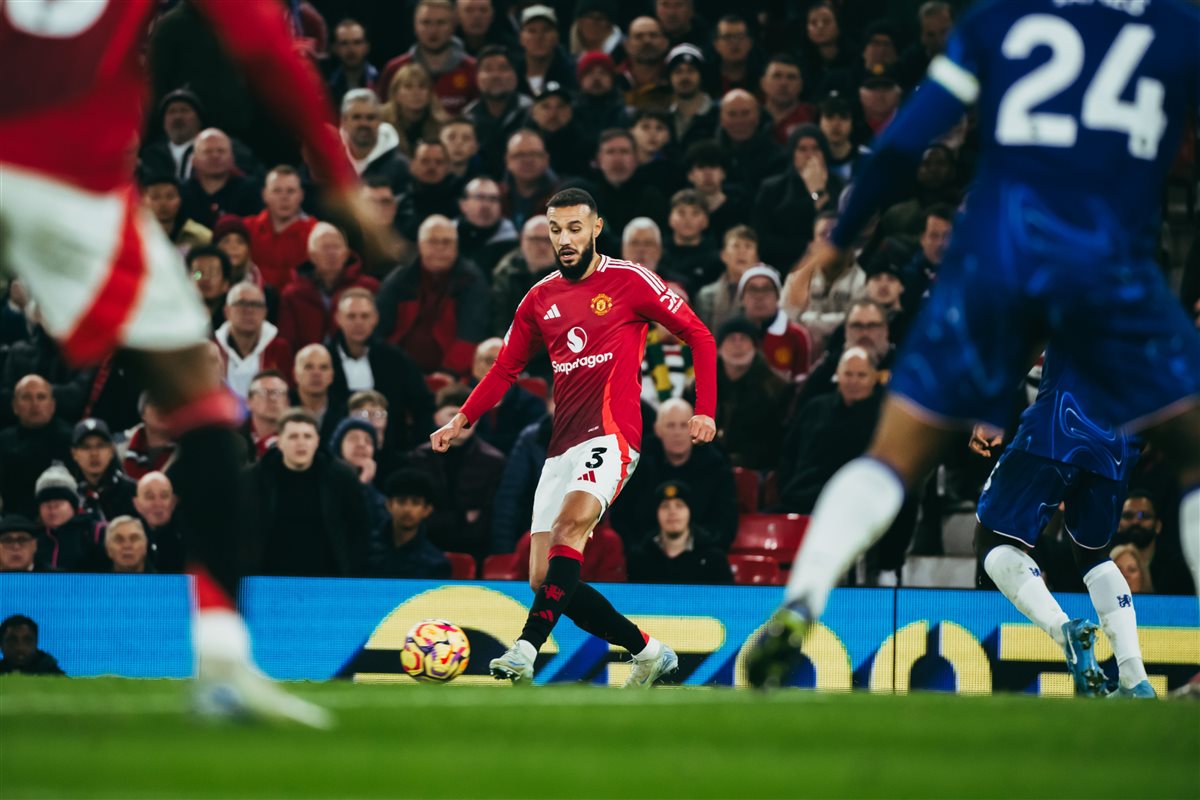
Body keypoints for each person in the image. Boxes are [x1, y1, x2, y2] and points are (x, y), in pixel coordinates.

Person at [748, 0, 1200, 691]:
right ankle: (1135, 675)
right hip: (1111, 265)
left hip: (997, 258)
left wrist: (838, 238)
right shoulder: (1175, 24)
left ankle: (803, 599)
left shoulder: (1001, 19)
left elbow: (904, 140)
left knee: (890, 459)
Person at [431, 188, 717, 687]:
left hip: (613, 435)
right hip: (561, 446)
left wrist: (705, 410)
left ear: (596, 228)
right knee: (544, 580)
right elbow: (505, 368)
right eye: (556, 230)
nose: (564, 239)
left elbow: (700, 335)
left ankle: (524, 650)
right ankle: (649, 652)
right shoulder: (539, 298)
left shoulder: (630, 280)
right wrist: (462, 419)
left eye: (575, 228)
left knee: (569, 531)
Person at [242, 408, 369, 579]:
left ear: (317, 441)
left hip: (327, 577)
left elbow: (359, 528)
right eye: (293, 437)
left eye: (307, 436)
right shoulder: (254, 478)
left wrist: (351, 571)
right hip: (268, 577)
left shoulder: (341, 477)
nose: (301, 443)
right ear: (279, 442)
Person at [610, 398, 738, 550]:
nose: (677, 432)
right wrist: (641, 551)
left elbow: (725, 522)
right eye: (670, 425)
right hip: (646, 553)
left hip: (702, 553)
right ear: (657, 429)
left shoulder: (715, 465)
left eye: (684, 425)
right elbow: (621, 517)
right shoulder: (636, 464)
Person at [377, 215, 491, 376]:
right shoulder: (399, 280)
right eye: (432, 242)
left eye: (447, 242)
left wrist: (448, 373)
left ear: (456, 246)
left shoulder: (471, 281)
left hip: (453, 375)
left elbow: (470, 336)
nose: (440, 248)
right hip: (398, 371)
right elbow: (379, 331)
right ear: (420, 245)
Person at [327, 289, 434, 453]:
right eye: (351, 316)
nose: (358, 322)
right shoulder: (324, 360)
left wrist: (414, 448)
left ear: (375, 319)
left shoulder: (396, 360)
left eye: (364, 316)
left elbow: (423, 405)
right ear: (338, 318)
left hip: (393, 451)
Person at [407, 385, 507, 558]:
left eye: (468, 416)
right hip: (425, 548)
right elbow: (416, 513)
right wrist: (461, 518)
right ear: (437, 418)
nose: (459, 423)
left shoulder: (494, 461)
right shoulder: (419, 457)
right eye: (452, 415)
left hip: (476, 550)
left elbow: (492, 516)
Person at [278, 223, 380, 349]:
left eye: (336, 247)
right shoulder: (293, 294)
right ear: (312, 255)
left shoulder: (369, 288)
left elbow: (380, 334)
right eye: (325, 248)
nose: (331, 253)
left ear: (346, 254)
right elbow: (286, 342)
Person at [378, 0, 478, 117]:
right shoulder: (395, 69)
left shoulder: (472, 69)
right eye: (426, 22)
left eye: (441, 23)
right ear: (415, 26)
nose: (433, 30)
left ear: (453, 26)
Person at [627, 480, 732, 585]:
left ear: (690, 511)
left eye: (679, 505)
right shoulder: (640, 558)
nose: (672, 512)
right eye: (665, 506)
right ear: (656, 513)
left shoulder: (714, 559)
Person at [0, 375, 72, 518]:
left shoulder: (70, 440)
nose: (35, 404)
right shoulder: (3, 441)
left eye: (41, 397)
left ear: (52, 405)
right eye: (26, 397)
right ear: (15, 406)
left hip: (59, 520)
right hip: (12, 521)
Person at [214, 282, 293, 400]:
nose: (249, 310)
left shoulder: (279, 349)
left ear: (265, 312)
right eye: (241, 303)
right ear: (227, 311)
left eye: (256, 305)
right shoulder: (212, 350)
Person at [368, 469, 452, 579]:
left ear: (427, 510)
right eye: (401, 501)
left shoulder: (436, 564)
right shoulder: (366, 550)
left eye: (415, 503)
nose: (407, 509)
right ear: (389, 505)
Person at [737, 265, 811, 382]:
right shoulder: (730, 333)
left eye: (766, 289)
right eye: (752, 289)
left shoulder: (796, 335)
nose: (759, 296)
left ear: (778, 296)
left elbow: (801, 380)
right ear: (742, 298)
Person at [69, 418, 137, 522]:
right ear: (74, 453)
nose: (94, 454)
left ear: (112, 450)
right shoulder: (69, 494)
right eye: (86, 447)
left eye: (100, 445)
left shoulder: (133, 492)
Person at [455, 177, 518, 275]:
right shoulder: (447, 237)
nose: (486, 205)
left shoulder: (513, 242)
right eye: (480, 197)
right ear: (463, 204)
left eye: (493, 199)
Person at [133, 471, 185, 573]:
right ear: (137, 504)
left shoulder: (189, 541)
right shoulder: (125, 539)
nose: (157, 504)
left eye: (164, 496)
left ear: (173, 502)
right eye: (150, 497)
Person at [117, 394, 178, 480]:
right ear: (143, 414)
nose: (162, 410)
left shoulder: (186, 452)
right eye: (155, 405)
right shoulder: (118, 445)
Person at [0, 616, 65, 676]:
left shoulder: (58, 678)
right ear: (1, 644)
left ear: (36, 643)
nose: (20, 647)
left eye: (27, 641)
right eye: (12, 641)